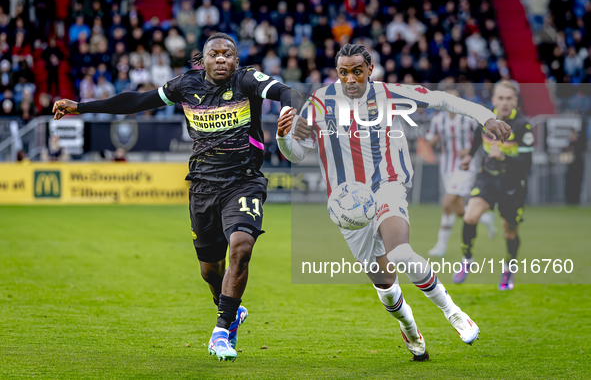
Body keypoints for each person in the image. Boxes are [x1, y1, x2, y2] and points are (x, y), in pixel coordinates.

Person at [53, 32, 301, 361]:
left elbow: (288, 92)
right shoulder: (186, 86)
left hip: (244, 181)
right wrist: (80, 107)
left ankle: (221, 330)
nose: (222, 59)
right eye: (215, 54)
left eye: (228, 54)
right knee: (210, 271)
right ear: (204, 59)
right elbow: (136, 102)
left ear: (236, 60)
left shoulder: (247, 81)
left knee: (241, 247)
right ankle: (229, 308)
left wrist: (291, 109)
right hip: (203, 187)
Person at [276, 44, 511, 361]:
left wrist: (486, 117)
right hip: (347, 206)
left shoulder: (390, 94)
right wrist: (284, 137)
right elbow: (297, 153)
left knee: (400, 251)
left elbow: (441, 99)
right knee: (385, 286)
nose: (350, 79)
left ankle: (453, 313)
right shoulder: (319, 101)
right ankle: (411, 330)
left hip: (387, 184)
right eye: (343, 72)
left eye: (357, 71)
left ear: (369, 70)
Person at [454, 81, 534, 291]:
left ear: (515, 101)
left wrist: (503, 157)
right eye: (501, 98)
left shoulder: (522, 125)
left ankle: (509, 268)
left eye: (509, 98)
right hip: (487, 178)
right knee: (470, 216)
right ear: (493, 100)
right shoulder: (486, 118)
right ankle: (467, 259)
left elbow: (527, 162)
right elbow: (477, 139)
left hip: (512, 184)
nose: (505, 103)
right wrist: (470, 157)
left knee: (510, 233)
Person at [425, 89, 496, 258]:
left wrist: (470, 151)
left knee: (447, 202)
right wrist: (432, 142)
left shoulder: (469, 118)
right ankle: (484, 218)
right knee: (456, 209)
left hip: (466, 165)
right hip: (446, 166)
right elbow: (430, 140)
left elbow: (481, 136)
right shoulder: (437, 119)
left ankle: (441, 245)